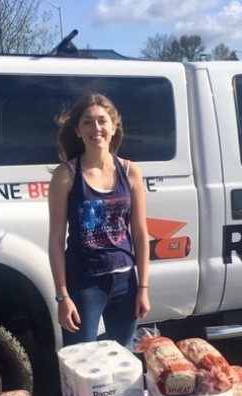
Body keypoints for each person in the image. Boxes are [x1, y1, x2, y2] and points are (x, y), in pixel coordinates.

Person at [47, 93, 150, 350]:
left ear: (114, 127)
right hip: (84, 284)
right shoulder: (66, 175)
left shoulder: (130, 171)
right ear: (78, 131)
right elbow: (56, 241)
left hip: (125, 282)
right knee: (81, 358)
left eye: (102, 121)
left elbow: (139, 233)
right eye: (87, 122)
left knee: (123, 356)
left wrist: (143, 287)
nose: (96, 129)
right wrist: (63, 296)